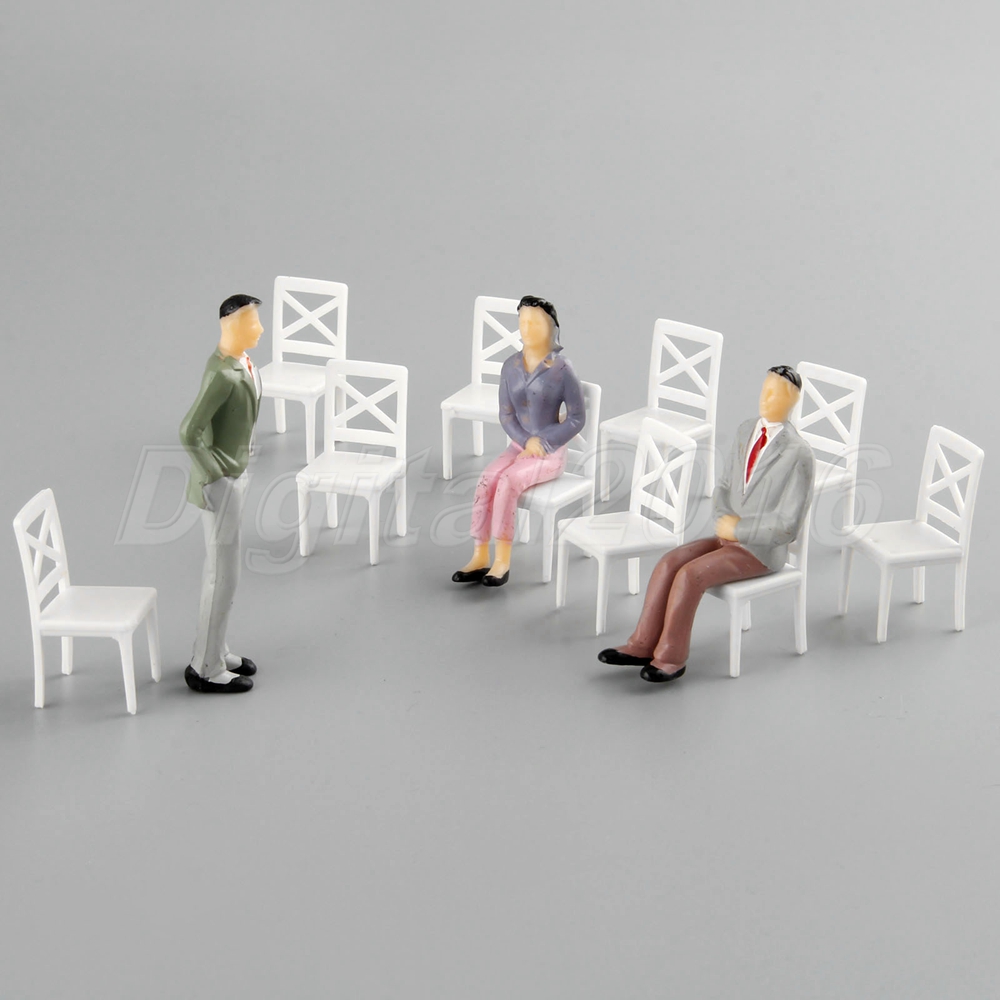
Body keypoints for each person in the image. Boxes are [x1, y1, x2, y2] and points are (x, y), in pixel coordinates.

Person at [599, 365, 814, 682]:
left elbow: (788, 525)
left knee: (691, 574)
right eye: (765, 389)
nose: (766, 398)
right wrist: (723, 517)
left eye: (776, 393)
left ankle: (671, 657)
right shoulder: (746, 430)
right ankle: (642, 643)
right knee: (670, 562)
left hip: (760, 550)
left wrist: (738, 530)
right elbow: (724, 485)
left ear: (793, 400)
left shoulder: (799, 453)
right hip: (728, 538)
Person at [452, 295, 585, 587]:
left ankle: (502, 560)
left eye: (535, 322)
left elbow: (576, 418)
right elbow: (506, 414)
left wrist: (543, 442)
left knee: (509, 481)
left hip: (549, 453)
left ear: (551, 327)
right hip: (518, 446)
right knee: (487, 478)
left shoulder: (562, 369)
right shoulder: (510, 366)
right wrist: (526, 441)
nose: (526, 328)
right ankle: (479, 555)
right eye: (522, 322)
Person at [179, 293, 264, 694]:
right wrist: (217, 475)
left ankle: (216, 649)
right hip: (221, 483)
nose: (259, 329)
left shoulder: (244, 364)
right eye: (251, 322)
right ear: (230, 325)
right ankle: (206, 668)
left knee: (226, 574)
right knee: (222, 576)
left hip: (235, 474)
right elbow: (189, 431)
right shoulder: (222, 374)